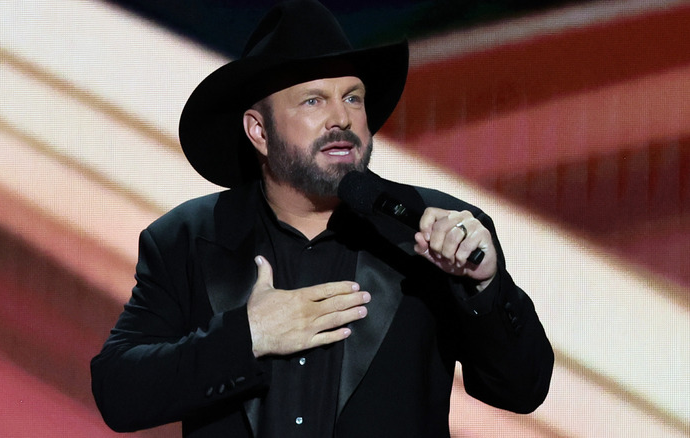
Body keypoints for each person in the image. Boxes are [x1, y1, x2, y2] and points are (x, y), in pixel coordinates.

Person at [90, 1, 554, 436]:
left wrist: (485, 286)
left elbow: (522, 389)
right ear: (258, 130)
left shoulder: (435, 230)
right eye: (313, 101)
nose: (342, 118)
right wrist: (247, 337)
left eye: (353, 98)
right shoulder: (186, 239)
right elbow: (119, 392)